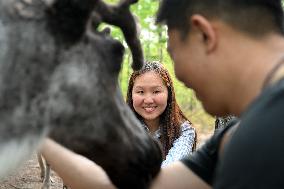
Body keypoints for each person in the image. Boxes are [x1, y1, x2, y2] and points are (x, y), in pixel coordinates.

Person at [41, 0, 284, 188]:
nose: (180, 75)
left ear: (204, 35)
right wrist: (33, 128)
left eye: (174, 53)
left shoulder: (260, 132)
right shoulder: (232, 140)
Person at [126, 61, 196, 167]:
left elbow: (171, 170)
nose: (148, 100)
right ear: (131, 94)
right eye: (140, 92)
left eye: (156, 91)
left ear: (169, 93)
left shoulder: (184, 131)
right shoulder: (120, 130)